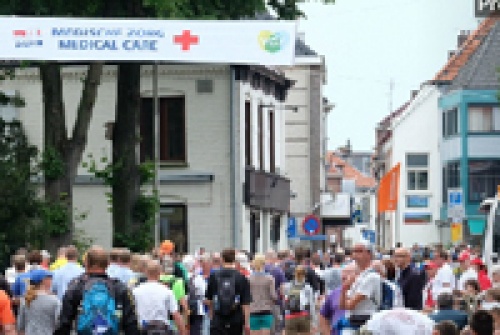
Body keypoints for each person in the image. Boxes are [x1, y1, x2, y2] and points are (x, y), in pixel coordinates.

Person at [54, 246, 139, 335]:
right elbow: (131, 323)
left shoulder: (76, 286)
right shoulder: (119, 287)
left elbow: (64, 322)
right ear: (107, 264)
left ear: (86, 263)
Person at [205, 248, 252, 335]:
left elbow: (208, 300)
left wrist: (211, 316)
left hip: (218, 319)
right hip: (236, 319)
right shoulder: (241, 277)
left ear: (222, 259)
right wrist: (247, 323)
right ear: (234, 260)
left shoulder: (213, 276)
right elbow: (246, 304)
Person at [133, 259, 186, 335]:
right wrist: (183, 332)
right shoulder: (167, 291)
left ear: (145, 272)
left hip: (143, 329)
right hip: (162, 329)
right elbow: (176, 315)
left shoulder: (136, 291)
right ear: (160, 272)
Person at [340, 241, 381, 328]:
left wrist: (344, 288)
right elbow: (342, 306)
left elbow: (349, 306)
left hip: (364, 322)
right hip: (354, 321)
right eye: (354, 251)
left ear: (369, 254)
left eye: (359, 251)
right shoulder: (357, 276)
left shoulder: (371, 277)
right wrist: (344, 289)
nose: (355, 255)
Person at [17, 269, 60, 335]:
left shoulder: (25, 299)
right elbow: (58, 323)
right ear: (44, 281)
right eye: (50, 278)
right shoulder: (54, 301)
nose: (51, 281)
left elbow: (20, 326)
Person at [320, 262, 356, 335]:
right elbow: (323, 315)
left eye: (348, 272)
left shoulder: (363, 293)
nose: (344, 275)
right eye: (343, 272)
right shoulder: (335, 293)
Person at [282, 266, 315, 335]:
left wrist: (285, 317)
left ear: (294, 274)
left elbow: (284, 302)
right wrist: (312, 320)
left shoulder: (287, 286)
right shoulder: (307, 287)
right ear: (304, 275)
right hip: (303, 316)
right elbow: (311, 304)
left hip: (290, 316)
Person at [248, 254, 277, 335]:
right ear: (264, 264)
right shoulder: (270, 278)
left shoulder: (249, 279)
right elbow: (273, 296)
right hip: (266, 310)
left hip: (253, 310)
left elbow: (247, 296)